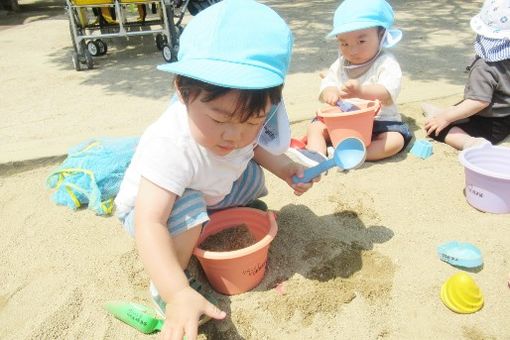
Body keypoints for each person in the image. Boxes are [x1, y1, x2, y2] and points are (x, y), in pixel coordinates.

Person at [114, 1, 318, 339]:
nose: (234, 135)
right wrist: (176, 292)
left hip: (210, 187)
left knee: (252, 175)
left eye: (253, 121)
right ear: (183, 91)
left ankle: (217, 218)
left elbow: (254, 148)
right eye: (220, 120)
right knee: (190, 208)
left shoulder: (240, 131)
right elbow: (150, 221)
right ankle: (170, 277)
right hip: (156, 211)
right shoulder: (171, 145)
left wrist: (285, 168)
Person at [287, 0, 412, 166]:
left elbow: (388, 92)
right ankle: (316, 153)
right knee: (315, 127)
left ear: (381, 35)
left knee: (395, 141)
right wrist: (329, 91)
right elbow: (329, 82)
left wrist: (361, 91)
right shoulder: (341, 64)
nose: (352, 50)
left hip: (379, 122)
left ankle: (358, 154)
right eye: (344, 43)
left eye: (361, 41)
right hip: (343, 121)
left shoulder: (386, 63)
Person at [422, 0, 510, 150]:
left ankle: (470, 142)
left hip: (491, 123)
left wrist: (446, 118)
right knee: (458, 108)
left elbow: (478, 102)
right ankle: (441, 113)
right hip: (506, 114)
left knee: (437, 129)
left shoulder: (484, 67)